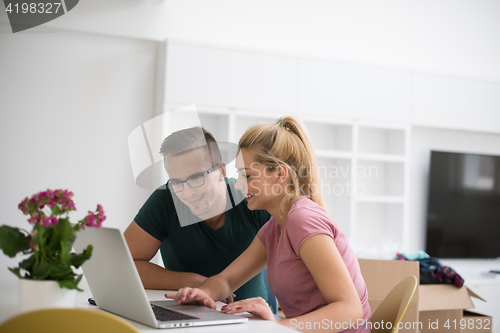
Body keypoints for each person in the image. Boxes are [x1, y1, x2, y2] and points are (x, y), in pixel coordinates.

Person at [166, 117, 371, 333]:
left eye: (247, 175)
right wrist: (203, 294)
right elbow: (227, 280)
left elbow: (350, 310)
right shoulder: (275, 227)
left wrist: (279, 326)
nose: (238, 185)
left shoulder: (304, 221)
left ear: (280, 174)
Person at [124, 126, 271, 304]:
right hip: (187, 314)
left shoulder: (252, 200)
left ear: (221, 171)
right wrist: (194, 281)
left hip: (250, 318)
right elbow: (123, 265)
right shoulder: (165, 200)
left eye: (196, 178)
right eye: (176, 182)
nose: (187, 193)